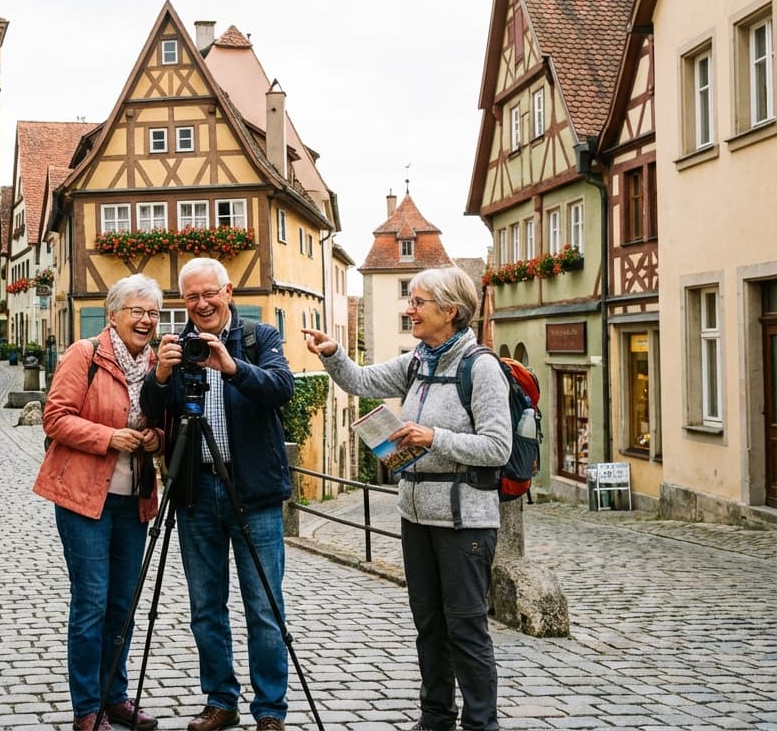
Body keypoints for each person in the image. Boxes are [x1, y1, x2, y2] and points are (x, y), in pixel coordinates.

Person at [302, 266, 511, 731]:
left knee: (466, 629)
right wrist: (333, 353)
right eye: (410, 300)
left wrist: (433, 436)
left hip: (464, 523)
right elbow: (362, 382)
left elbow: (498, 448)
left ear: (450, 311)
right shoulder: (419, 360)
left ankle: (482, 724)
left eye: (418, 302)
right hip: (415, 517)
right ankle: (436, 717)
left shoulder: (481, 368)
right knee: (430, 627)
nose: (410, 309)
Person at [140, 258, 294, 731]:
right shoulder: (174, 345)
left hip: (254, 492)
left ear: (228, 291)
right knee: (206, 608)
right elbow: (150, 410)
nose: (202, 304)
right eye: (191, 297)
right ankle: (220, 700)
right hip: (195, 489)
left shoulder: (258, 338)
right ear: (181, 301)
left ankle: (269, 710)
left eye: (209, 294)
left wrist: (231, 367)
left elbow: (281, 388)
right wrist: (160, 377)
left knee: (264, 607)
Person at [34, 274, 165, 731]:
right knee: (91, 601)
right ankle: (87, 708)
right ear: (113, 315)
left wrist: (154, 437)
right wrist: (110, 437)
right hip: (84, 498)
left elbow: (165, 424)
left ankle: (116, 695)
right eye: (137, 311)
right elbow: (55, 418)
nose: (146, 320)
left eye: (152, 313)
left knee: (123, 603)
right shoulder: (84, 354)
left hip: (134, 501)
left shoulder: (156, 367)